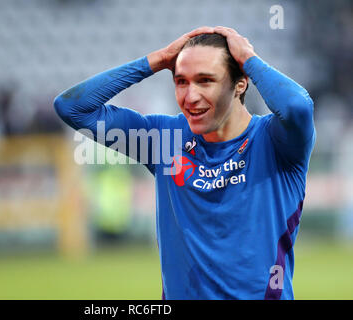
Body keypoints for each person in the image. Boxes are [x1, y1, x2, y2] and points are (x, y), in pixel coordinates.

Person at [54, 26, 316, 300]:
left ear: (241, 83)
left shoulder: (277, 142)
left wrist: (249, 60)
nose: (190, 97)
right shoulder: (164, 140)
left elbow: (297, 106)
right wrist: (157, 60)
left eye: (205, 81)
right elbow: (72, 107)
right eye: (181, 81)